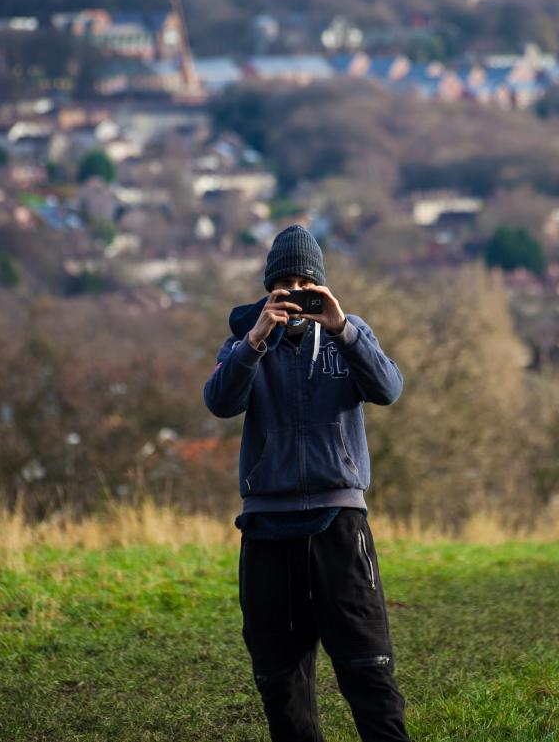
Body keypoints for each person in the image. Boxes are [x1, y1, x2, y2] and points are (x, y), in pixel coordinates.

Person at [203, 224, 412, 742]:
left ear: (320, 285)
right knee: (280, 682)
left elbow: (387, 388)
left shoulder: (349, 334)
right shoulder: (246, 339)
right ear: (269, 287)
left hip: (339, 525)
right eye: (285, 284)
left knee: (368, 668)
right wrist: (255, 339)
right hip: (267, 527)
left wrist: (342, 327)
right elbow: (220, 402)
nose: (295, 293)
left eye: (304, 283)